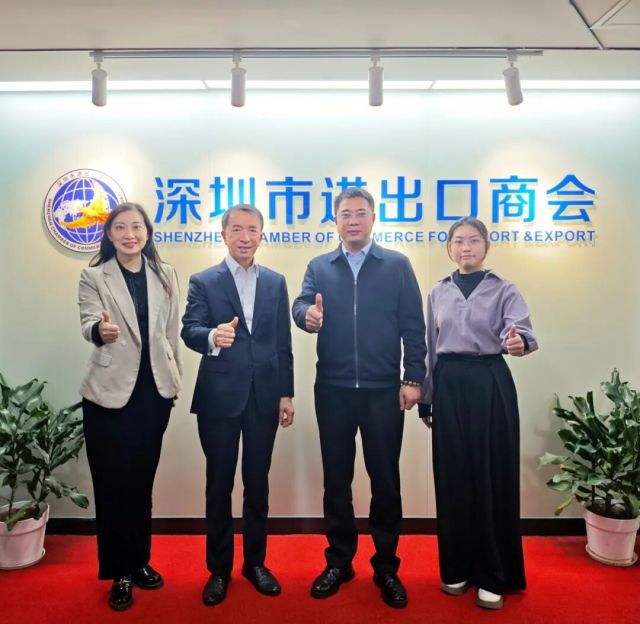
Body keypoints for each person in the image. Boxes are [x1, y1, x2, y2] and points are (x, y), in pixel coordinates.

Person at [292, 187, 426, 609]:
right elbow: (300, 304)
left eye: (360, 213)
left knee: (385, 479)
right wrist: (306, 316)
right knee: (337, 479)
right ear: (335, 221)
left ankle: (386, 567)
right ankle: (339, 561)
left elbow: (413, 325)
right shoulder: (320, 266)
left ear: (373, 219)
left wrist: (413, 378)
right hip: (332, 389)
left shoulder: (396, 265)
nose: (353, 220)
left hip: (383, 389)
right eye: (346, 214)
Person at [419, 216, 538, 610]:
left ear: (486, 246)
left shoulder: (504, 289)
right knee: (452, 476)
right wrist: (427, 398)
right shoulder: (438, 292)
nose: (465, 247)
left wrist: (518, 343)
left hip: (489, 382)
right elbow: (430, 346)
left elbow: (521, 332)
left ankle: (493, 573)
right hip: (449, 384)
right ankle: (457, 567)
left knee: (491, 476)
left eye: (473, 240)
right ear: (449, 248)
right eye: (458, 241)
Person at [181, 204, 294, 607]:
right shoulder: (203, 281)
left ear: (262, 235)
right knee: (219, 484)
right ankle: (218, 570)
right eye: (237, 230)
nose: (245, 237)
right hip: (219, 398)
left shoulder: (275, 282)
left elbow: (282, 342)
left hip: (264, 396)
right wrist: (212, 337)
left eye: (252, 230)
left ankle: (255, 563)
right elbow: (189, 329)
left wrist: (286, 393)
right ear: (224, 234)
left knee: (257, 483)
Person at [78, 202, 182, 611]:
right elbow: (88, 322)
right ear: (109, 234)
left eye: (136, 226)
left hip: (153, 396)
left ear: (147, 232)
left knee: (140, 483)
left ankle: (139, 561)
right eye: (120, 227)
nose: (129, 234)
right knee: (113, 486)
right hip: (107, 398)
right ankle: (118, 571)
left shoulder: (166, 274)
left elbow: (170, 333)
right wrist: (100, 331)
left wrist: (174, 382)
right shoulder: (93, 276)